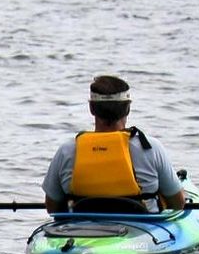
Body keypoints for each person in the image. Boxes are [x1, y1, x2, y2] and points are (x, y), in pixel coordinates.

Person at [41, 75, 186, 214]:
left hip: (80, 229)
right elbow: (177, 203)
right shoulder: (150, 147)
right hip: (143, 229)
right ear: (128, 108)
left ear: (91, 108)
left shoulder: (67, 150)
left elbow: (52, 206)